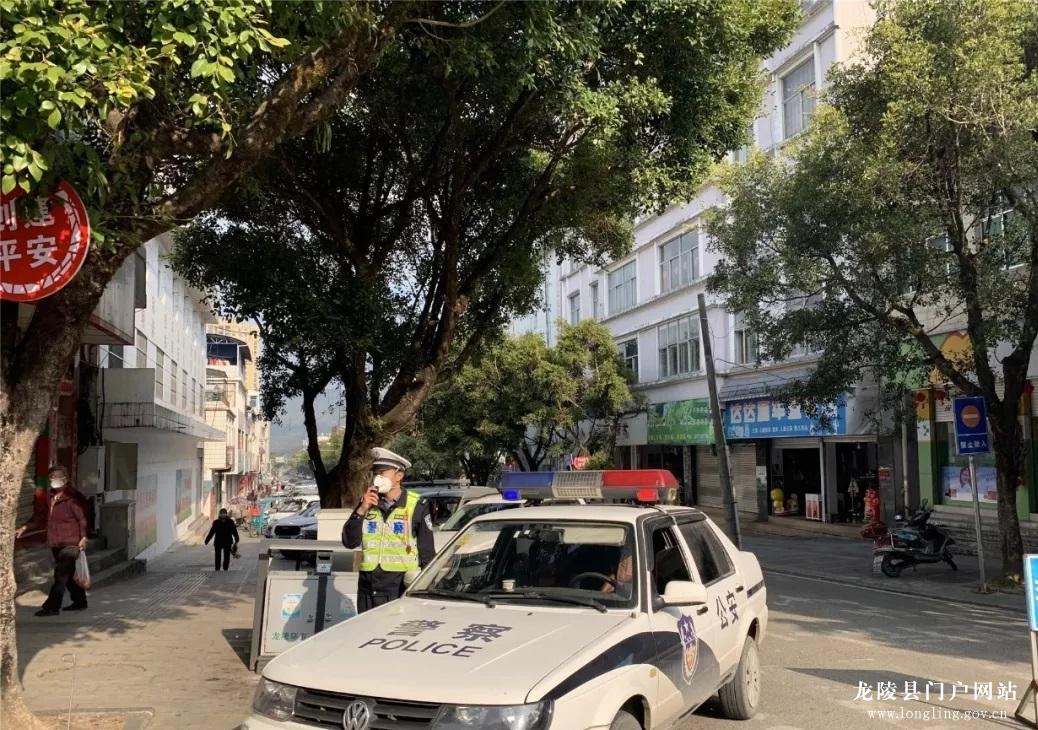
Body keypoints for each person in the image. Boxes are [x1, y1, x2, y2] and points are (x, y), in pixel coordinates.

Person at [342, 447, 435, 612]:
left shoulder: (417, 505)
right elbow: (349, 542)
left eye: (382, 473)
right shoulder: (367, 503)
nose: (377, 478)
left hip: (399, 585)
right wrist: (361, 509)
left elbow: (427, 551)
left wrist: (425, 588)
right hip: (368, 586)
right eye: (375, 473)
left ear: (399, 476)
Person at [15, 467, 89, 616]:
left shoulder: (74, 498)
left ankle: (52, 607)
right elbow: (39, 517)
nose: (54, 480)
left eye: (58, 477)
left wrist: (84, 537)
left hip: (71, 543)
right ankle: (80, 601)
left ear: (65, 479)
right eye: (52, 478)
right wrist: (24, 527)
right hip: (55, 541)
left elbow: (82, 519)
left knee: (60, 575)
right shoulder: (49, 498)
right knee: (68, 574)